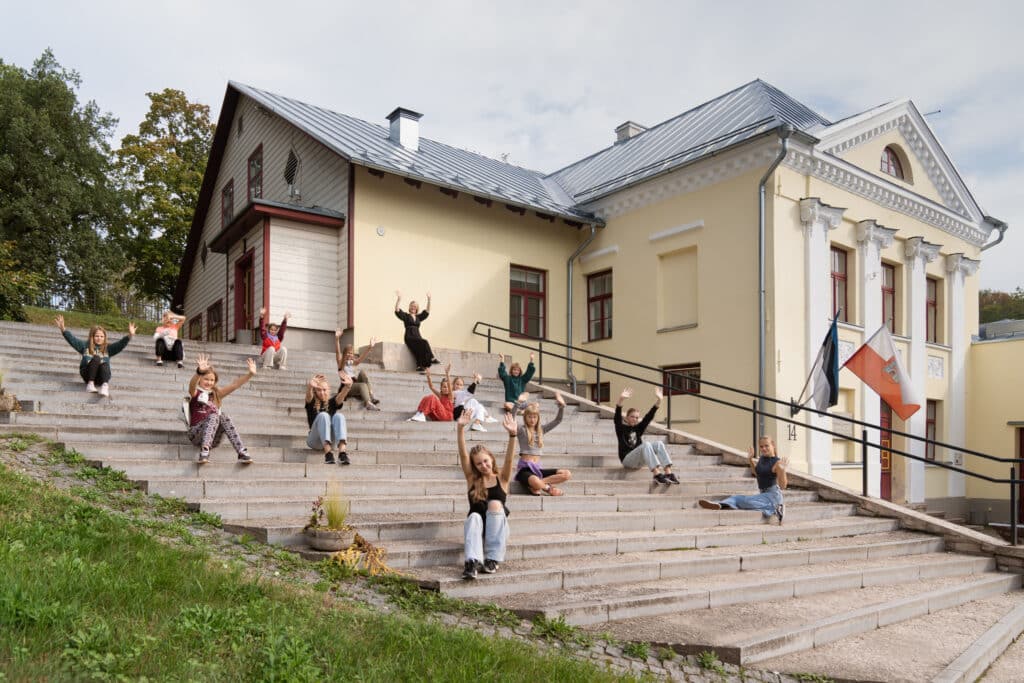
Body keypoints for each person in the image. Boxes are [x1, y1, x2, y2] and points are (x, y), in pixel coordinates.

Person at [457, 409, 518, 579]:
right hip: (476, 530)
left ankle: (492, 559)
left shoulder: (502, 479)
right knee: (475, 516)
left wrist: (513, 436)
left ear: (491, 458)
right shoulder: (472, 480)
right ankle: (472, 563)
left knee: (495, 504)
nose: (483, 466)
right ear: (475, 467)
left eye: (485, 461)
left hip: (497, 531)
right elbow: (463, 455)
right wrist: (460, 428)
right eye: (478, 464)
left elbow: (509, 460)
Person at [699, 436, 788, 524]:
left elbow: (783, 486)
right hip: (763, 495)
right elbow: (757, 473)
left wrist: (783, 470)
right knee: (739, 499)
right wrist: (750, 459)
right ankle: (720, 504)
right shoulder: (762, 459)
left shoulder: (777, 463)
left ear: (773, 445)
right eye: (761, 446)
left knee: (741, 500)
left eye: (766, 446)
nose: (764, 448)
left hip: (772, 496)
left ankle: (776, 507)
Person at [187, 353, 256, 465]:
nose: (209, 382)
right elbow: (192, 385)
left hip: (213, 439)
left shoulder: (216, 395)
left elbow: (234, 385)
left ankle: (241, 452)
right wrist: (199, 372)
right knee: (214, 415)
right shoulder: (195, 393)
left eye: (212, 380)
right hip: (196, 434)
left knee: (223, 416)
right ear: (200, 379)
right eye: (206, 379)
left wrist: (250, 374)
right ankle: (204, 451)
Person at [54, 314, 135, 398]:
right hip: (87, 374)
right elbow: (73, 340)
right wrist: (63, 329)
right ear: (92, 336)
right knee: (96, 358)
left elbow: (120, 344)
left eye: (101, 336)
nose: (99, 338)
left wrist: (130, 335)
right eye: (97, 336)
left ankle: (105, 386)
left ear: (104, 338)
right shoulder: (85, 346)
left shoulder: (108, 349)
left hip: (101, 377)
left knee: (105, 364)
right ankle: (90, 384)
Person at [615, 387, 680, 485]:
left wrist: (659, 400)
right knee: (646, 444)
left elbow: (649, 416)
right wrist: (621, 399)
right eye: (632, 416)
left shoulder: (638, 428)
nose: (634, 419)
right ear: (627, 417)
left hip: (639, 460)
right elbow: (617, 417)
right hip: (627, 460)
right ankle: (657, 474)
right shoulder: (620, 428)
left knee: (658, 443)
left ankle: (668, 473)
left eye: (637, 417)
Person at [514, 393, 572, 496]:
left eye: (535, 417)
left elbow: (558, 420)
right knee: (535, 480)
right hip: (525, 470)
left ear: (538, 418)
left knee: (567, 474)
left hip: (537, 469)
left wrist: (561, 407)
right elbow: (511, 418)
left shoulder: (541, 430)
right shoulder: (521, 430)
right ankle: (547, 488)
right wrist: (518, 402)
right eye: (529, 417)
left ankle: (538, 485)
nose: (532, 420)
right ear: (525, 417)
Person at [306, 373, 352, 465]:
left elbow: (340, 397)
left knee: (339, 416)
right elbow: (308, 397)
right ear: (315, 391)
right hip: (315, 441)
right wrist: (310, 387)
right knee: (323, 415)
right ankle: (328, 454)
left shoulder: (332, 403)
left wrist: (347, 387)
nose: (322, 392)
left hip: (332, 441)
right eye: (319, 390)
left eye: (324, 390)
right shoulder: (311, 403)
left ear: (328, 390)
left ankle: (342, 453)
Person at [335, 330, 380, 411]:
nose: (350, 354)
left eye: (351, 353)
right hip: (346, 387)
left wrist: (370, 347)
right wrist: (337, 339)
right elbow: (337, 352)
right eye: (348, 353)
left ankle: (372, 396)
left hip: (354, 383)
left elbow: (360, 358)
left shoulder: (352, 363)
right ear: (344, 353)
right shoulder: (341, 363)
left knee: (362, 373)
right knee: (362, 385)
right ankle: (368, 403)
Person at [394, 290, 439, 371]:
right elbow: (397, 310)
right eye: (412, 306)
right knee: (424, 342)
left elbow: (427, 311)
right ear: (409, 307)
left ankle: (420, 366)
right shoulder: (406, 316)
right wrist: (399, 299)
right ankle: (431, 358)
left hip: (417, 336)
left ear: (417, 308)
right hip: (409, 336)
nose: (413, 307)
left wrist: (429, 299)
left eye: (415, 306)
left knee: (419, 350)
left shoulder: (418, 317)